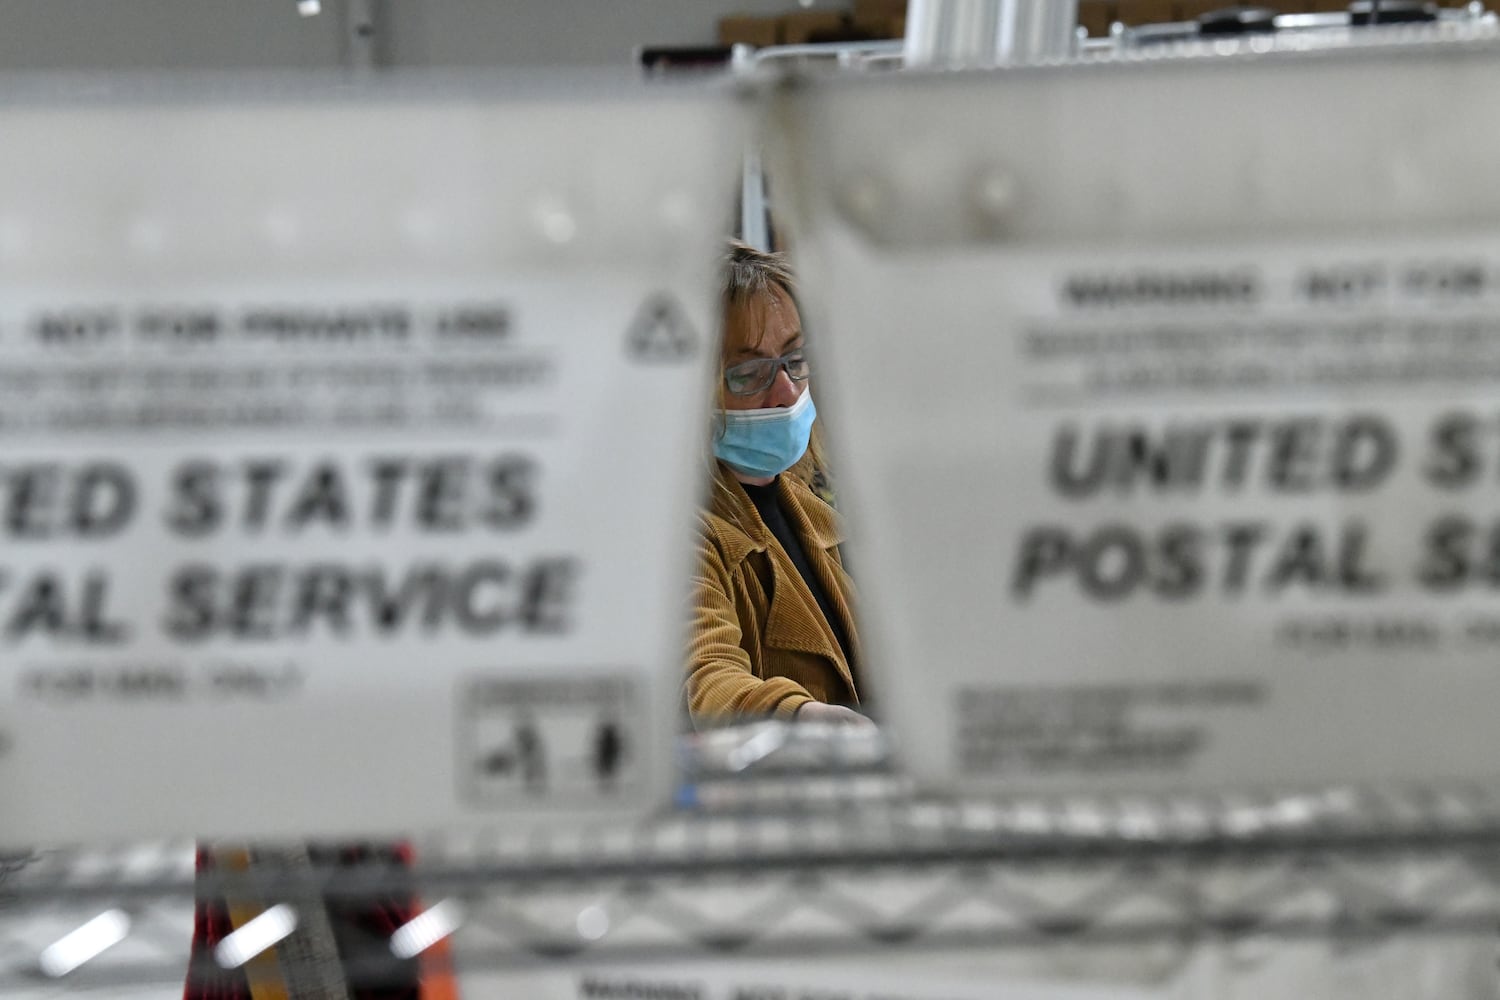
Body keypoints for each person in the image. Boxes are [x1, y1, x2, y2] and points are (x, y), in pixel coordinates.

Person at [685, 242, 870, 728]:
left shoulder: (811, 510)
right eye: (748, 373)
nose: (787, 390)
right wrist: (800, 720)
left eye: (794, 359)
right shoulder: (682, 535)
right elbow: (709, 680)